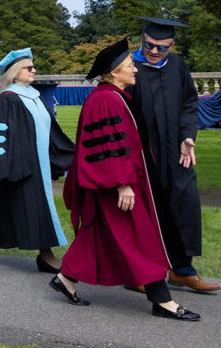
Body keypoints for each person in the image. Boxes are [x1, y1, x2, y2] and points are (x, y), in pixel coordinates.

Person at [49, 40, 199, 321]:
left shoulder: (115, 96)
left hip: (126, 181)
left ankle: (66, 278)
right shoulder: (106, 99)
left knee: (98, 233)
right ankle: (161, 299)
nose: (136, 70)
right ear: (114, 72)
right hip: (119, 185)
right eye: (130, 66)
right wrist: (123, 183)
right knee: (141, 238)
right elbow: (109, 147)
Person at [128, 17, 217, 293]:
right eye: (150, 45)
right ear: (142, 39)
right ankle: (141, 274)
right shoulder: (129, 67)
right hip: (145, 152)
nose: (154, 52)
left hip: (177, 152)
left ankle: (182, 270)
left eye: (162, 48)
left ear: (172, 46)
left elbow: (191, 102)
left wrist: (188, 136)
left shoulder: (177, 65)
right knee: (147, 210)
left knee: (184, 204)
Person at [0, 48, 74, 273]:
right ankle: (46, 255)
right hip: (19, 165)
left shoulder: (35, 97)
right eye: (29, 67)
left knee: (10, 210)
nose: (34, 70)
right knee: (36, 208)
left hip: (39, 164)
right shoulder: (8, 99)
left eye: (33, 66)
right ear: (15, 73)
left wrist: (65, 155)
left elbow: (50, 132)